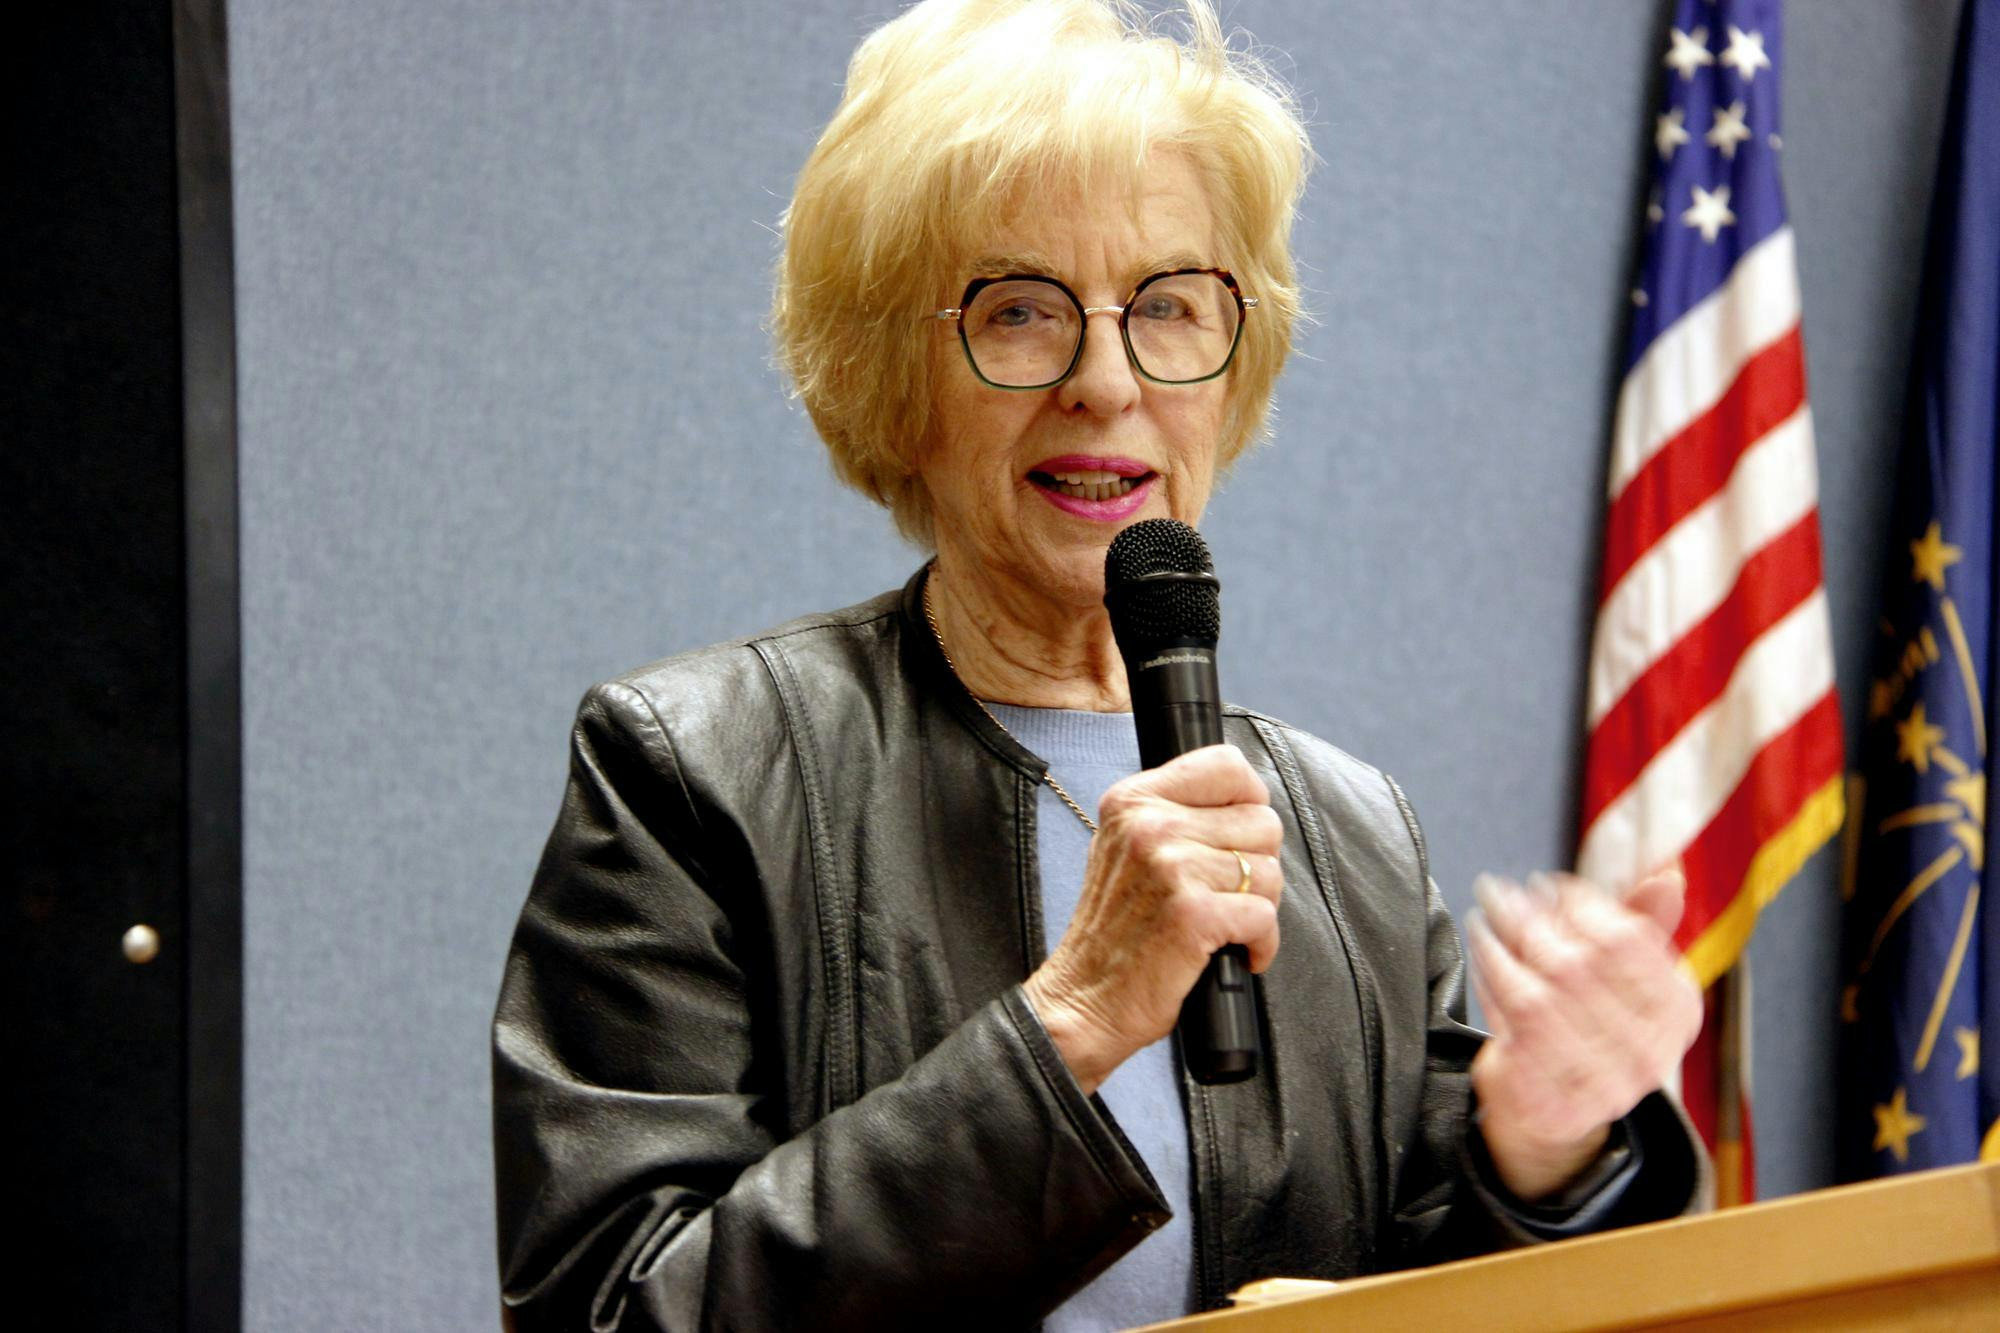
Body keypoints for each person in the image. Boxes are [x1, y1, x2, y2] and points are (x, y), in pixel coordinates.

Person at [490, 1, 1707, 1328]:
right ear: (893, 377)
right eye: (1020, 311)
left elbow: (1439, 1294)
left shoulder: (1355, 840)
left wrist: (1542, 1151)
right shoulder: (698, 772)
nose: (1105, 379)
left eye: (1171, 306)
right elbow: (606, 1309)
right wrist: (1067, 1025)